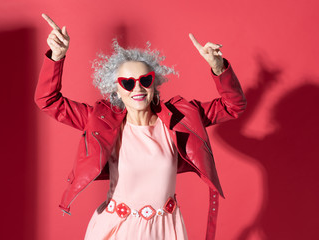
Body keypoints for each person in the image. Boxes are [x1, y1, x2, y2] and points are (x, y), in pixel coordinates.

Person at [35, 13, 246, 240]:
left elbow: (233, 106)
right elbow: (48, 101)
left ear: (154, 84)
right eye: (127, 83)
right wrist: (56, 57)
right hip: (118, 229)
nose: (138, 89)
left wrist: (218, 67)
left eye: (145, 80)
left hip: (166, 230)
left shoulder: (180, 117)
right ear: (116, 90)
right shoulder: (100, 120)